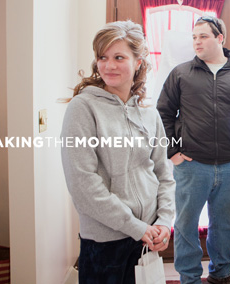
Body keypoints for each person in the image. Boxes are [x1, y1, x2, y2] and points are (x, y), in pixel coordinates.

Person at [61, 21, 176, 284]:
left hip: (148, 236)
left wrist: (164, 220)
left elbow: (163, 172)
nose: (109, 65)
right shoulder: (83, 108)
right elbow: (83, 184)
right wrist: (136, 227)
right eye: (103, 57)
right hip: (106, 241)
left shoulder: (150, 114)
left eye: (119, 57)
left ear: (138, 62)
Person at [157, 15, 230, 284]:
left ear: (220, 38)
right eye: (194, 37)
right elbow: (163, 113)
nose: (197, 41)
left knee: (225, 224)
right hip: (192, 166)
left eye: (203, 36)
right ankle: (190, 277)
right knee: (185, 225)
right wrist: (172, 152)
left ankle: (221, 273)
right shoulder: (181, 73)